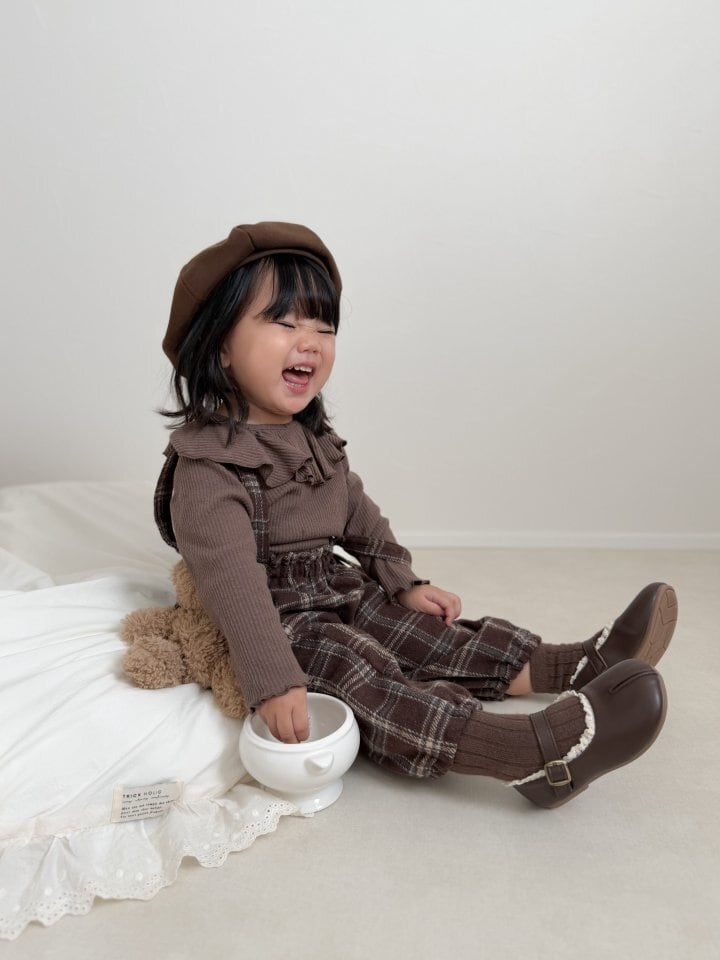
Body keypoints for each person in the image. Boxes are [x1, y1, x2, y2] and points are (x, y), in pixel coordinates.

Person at [156, 221, 677, 809]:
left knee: (426, 637)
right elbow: (232, 582)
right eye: (284, 322)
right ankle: (530, 755)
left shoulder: (311, 438)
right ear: (220, 346)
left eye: (324, 327)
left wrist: (402, 581)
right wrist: (272, 679)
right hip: (275, 621)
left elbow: (357, 513)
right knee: (361, 673)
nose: (311, 342)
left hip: (334, 585)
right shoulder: (209, 465)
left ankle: (577, 664)